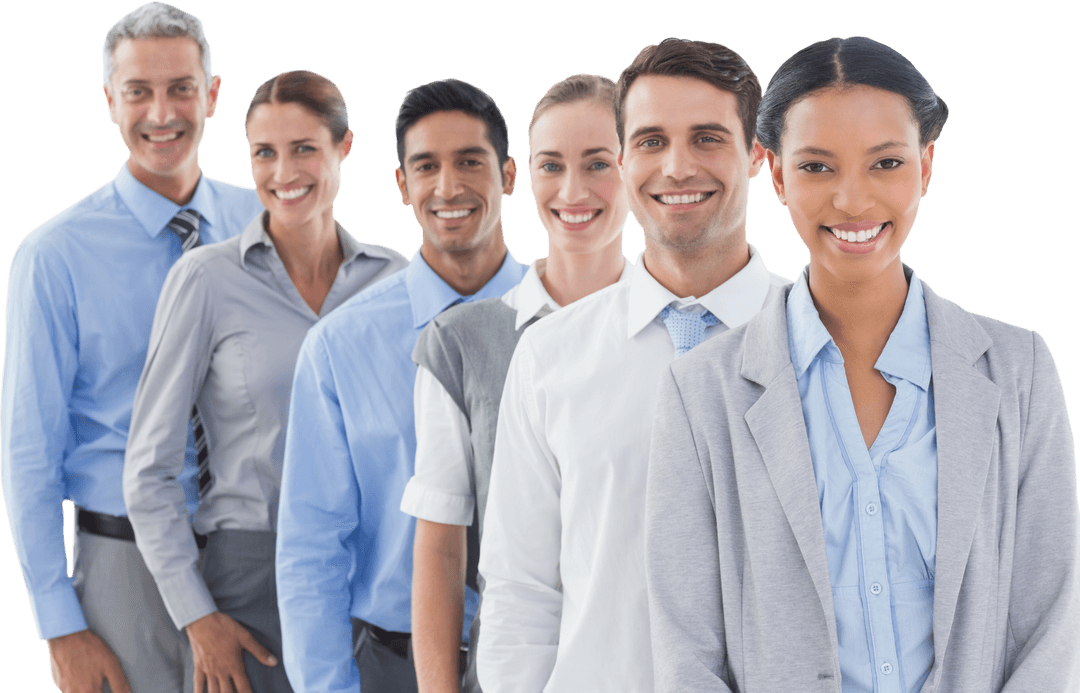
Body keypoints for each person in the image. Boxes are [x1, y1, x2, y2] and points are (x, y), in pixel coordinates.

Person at [644, 35, 1080, 693]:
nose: (852, 200)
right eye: (818, 167)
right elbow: (686, 652)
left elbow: (1052, 630)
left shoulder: (1019, 370)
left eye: (885, 164)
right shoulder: (700, 391)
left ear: (926, 167)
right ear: (781, 176)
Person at [476, 38, 788, 692]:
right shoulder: (549, 355)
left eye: (707, 138)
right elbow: (521, 591)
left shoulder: (827, 342)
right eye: (650, 142)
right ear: (621, 160)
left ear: (759, 155)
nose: (676, 167)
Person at [0, 3, 263, 692]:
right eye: (138, 91)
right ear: (110, 100)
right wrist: (59, 624)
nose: (162, 111)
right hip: (124, 570)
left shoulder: (266, 225)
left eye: (181, 87)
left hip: (256, 556)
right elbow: (29, 453)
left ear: (211, 94)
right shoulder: (53, 255)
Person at [123, 69, 408, 693]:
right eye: (264, 154)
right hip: (251, 578)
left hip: (377, 574)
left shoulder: (394, 280)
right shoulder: (206, 280)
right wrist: (198, 618)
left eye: (304, 148)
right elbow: (148, 469)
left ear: (344, 147)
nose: (284, 172)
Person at [276, 78, 527, 693]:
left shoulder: (565, 326)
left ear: (509, 175)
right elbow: (312, 549)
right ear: (402, 186)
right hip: (393, 664)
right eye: (426, 166)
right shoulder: (339, 347)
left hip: (543, 656)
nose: (449, 187)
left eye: (470, 161)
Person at [402, 73, 631, 693]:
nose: (572, 190)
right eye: (551, 165)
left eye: (598, 163)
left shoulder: (686, 335)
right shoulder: (460, 345)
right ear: (522, 175)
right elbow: (442, 552)